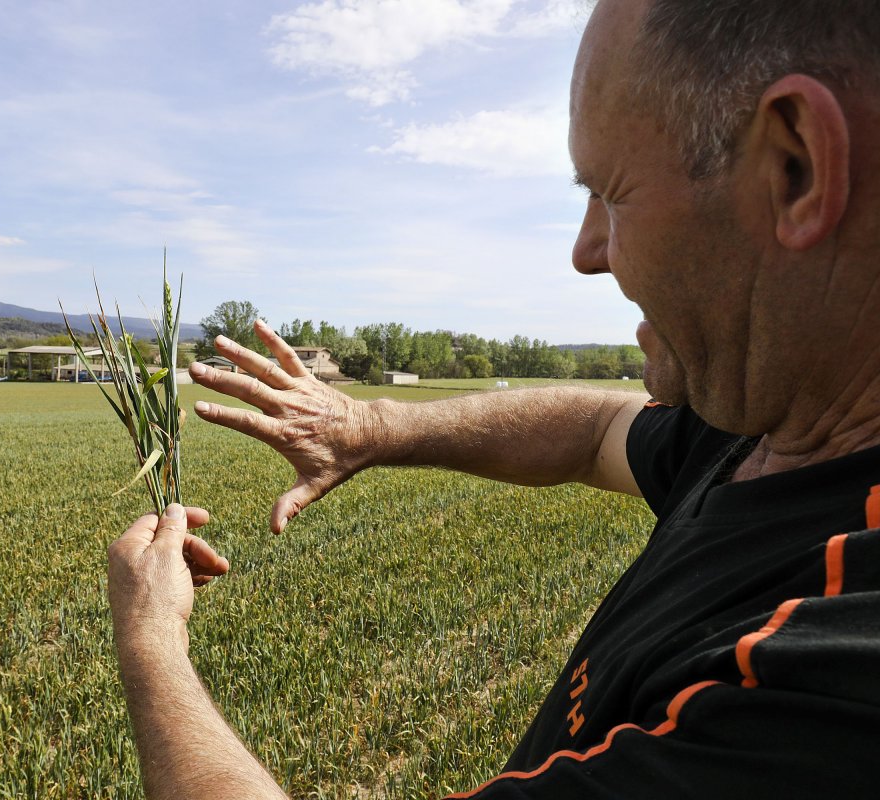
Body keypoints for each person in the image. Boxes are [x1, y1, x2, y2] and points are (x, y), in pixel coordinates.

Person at [106, 0, 880, 796]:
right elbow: (598, 429)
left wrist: (149, 640)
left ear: (796, 168)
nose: (586, 253)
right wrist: (369, 427)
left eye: (609, 192)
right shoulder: (768, 424)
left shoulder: (829, 679)